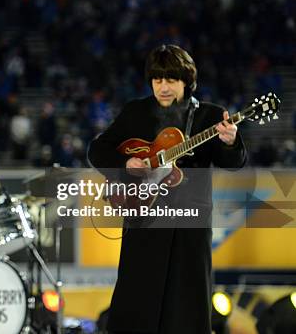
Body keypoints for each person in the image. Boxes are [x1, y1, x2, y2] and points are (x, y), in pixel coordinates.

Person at [87, 44, 246, 334]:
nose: (163, 87)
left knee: (187, 308)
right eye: (157, 80)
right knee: (136, 305)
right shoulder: (135, 112)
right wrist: (126, 163)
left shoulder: (209, 117)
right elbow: (97, 150)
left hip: (190, 228)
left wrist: (230, 142)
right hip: (144, 224)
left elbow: (233, 163)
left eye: (171, 80)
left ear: (187, 81)